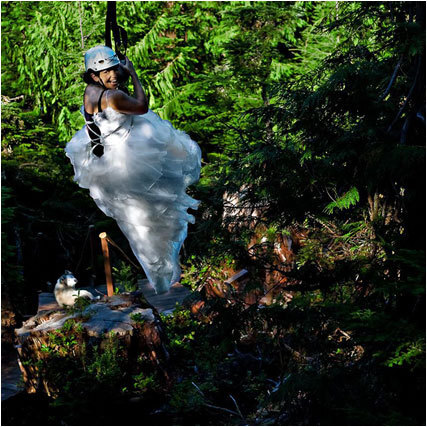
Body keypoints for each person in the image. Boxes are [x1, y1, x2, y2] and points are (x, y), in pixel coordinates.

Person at [66, 46, 201, 294]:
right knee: (153, 214)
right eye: (106, 72)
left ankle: (160, 270)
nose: (113, 75)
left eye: (114, 69)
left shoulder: (91, 92)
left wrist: (118, 74)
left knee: (139, 220)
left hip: (111, 160)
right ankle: (162, 268)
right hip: (131, 162)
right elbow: (141, 106)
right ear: (94, 75)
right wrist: (134, 74)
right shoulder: (111, 98)